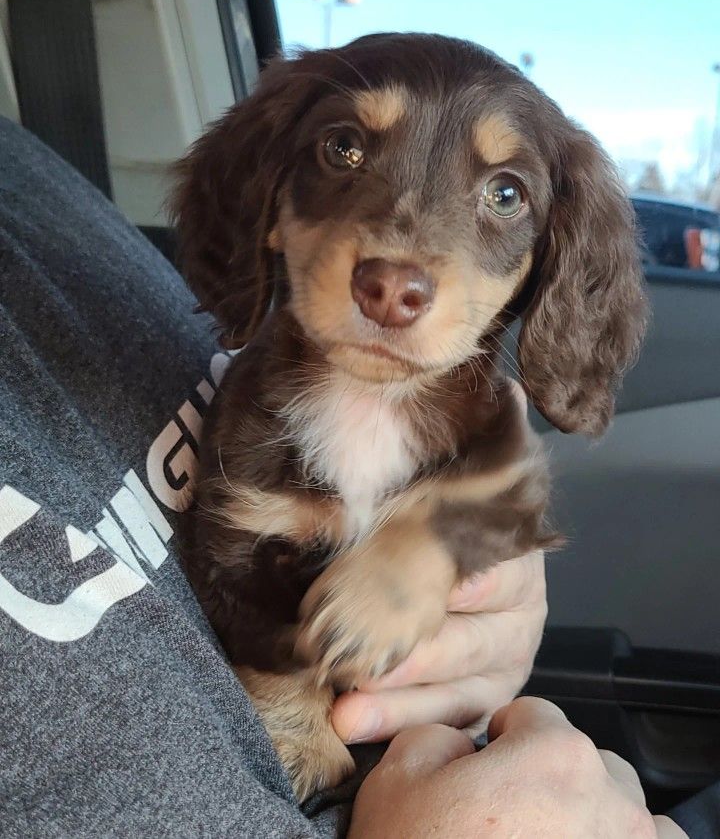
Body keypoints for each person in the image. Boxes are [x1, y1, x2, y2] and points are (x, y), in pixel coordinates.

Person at [0, 115, 695, 837]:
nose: (399, 270)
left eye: (506, 193)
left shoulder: (27, 178)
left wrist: (457, 570)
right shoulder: (255, 435)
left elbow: (509, 501)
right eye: (344, 151)